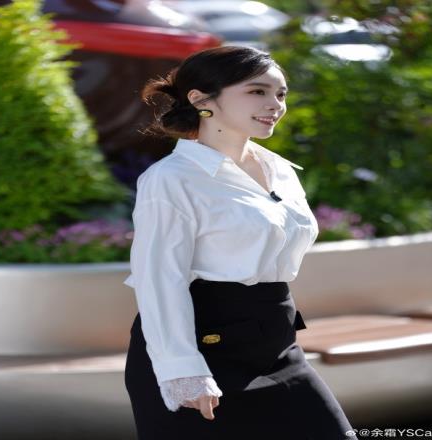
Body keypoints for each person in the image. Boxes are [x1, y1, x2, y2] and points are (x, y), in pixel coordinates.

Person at [123, 45, 357, 440]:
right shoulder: (171, 179)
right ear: (201, 100)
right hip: (203, 348)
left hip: (276, 343)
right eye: (257, 91)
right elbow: (159, 279)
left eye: (280, 93)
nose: (275, 104)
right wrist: (182, 369)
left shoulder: (280, 171)